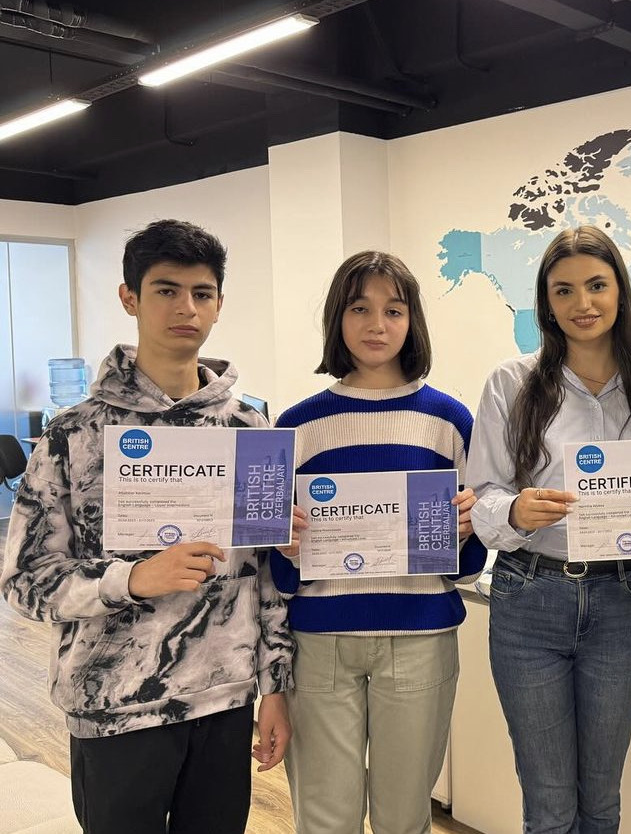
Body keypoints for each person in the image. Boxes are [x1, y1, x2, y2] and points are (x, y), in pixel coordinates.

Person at [0, 219, 294, 834]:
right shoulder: (75, 434)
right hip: (113, 704)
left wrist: (275, 685)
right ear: (129, 298)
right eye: (166, 290)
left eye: (202, 293)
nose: (186, 308)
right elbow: (24, 581)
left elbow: (266, 577)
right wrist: (131, 580)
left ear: (218, 304)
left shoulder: (250, 430)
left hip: (223, 699)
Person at [466, 225, 631, 834]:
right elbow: (481, 496)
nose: (582, 303)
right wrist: (514, 511)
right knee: (550, 803)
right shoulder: (511, 383)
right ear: (546, 302)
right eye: (564, 290)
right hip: (529, 597)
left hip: (622, 599)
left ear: (620, 292)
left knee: (602, 799)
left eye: (596, 286)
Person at [269, 251, 486, 834]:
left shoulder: (450, 421)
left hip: (421, 638)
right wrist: (284, 545)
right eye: (359, 308)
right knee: (324, 818)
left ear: (412, 321)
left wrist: (467, 529)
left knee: (404, 818)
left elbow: (468, 565)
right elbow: (272, 567)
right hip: (320, 641)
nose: (377, 325)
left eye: (394, 310)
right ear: (337, 318)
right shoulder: (297, 425)